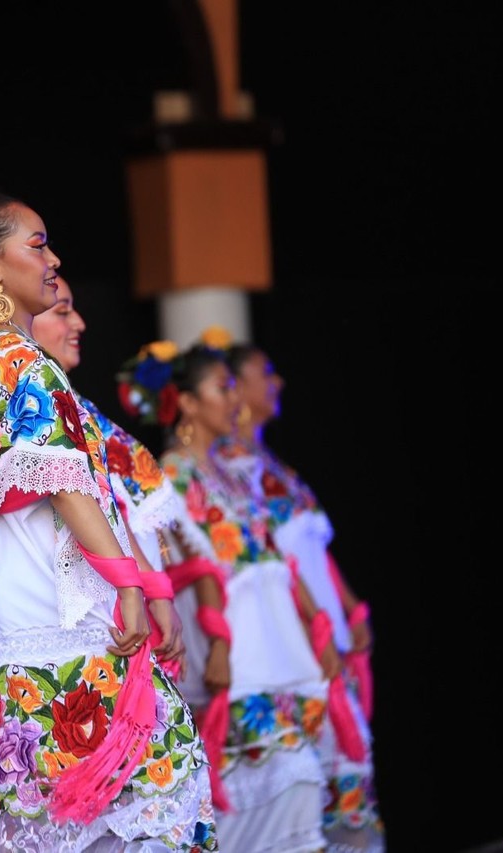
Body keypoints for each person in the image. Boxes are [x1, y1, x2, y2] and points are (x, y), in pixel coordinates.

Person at [0, 170, 217, 850]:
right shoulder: (13, 359)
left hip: (44, 616)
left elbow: (89, 486)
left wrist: (145, 584)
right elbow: (66, 483)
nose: (54, 260)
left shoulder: (8, 357)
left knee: (103, 818)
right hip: (56, 617)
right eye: (40, 245)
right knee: (149, 796)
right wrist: (131, 586)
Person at [119, 338, 330, 853]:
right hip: (235, 653)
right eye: (223, 387)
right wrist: (215, 645)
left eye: (236, 386)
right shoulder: (168, 474)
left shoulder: (231, 471)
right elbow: (186, 569)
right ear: (187, 402)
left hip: (277, 642)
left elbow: (273, 556)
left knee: (299, 788)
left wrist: (316, 624)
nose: (235, 399)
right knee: (271, 784)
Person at [224, 339, 384, 851]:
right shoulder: (234, 472)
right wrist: (316, 630)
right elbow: (272, 567)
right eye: (264, 372)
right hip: (300, 647)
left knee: (350, 779)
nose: (278, 381)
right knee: (315, 784)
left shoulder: (274, 467)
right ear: (236, 389)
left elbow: (314, 549)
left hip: (330, 636)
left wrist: (351, 605)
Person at [28, 274, 183, 614]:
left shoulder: (79, 409)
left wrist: (151, 587)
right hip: (89, 607)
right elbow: (87, 497)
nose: (80, 323)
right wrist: (142, 587)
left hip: (126, 598)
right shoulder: (33, 406)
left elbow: (113, 504)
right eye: (62, 311)